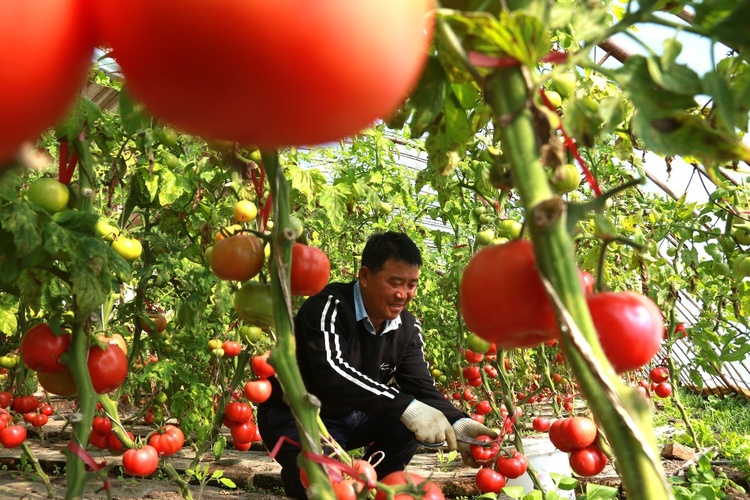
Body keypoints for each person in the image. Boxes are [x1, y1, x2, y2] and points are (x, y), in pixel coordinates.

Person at [257, 231, 497, 498]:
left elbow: (421, 387)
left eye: (411, 285)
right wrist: (406, 406)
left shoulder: (407, 327)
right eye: (395, 282)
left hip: (353, 416)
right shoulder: (329, 306)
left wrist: (459, 422)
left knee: (408, 425)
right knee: (323, 482)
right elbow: (333, 372)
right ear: (365, 276)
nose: (403, 294)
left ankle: (381, 487)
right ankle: (300, 481)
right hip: (297, 417)